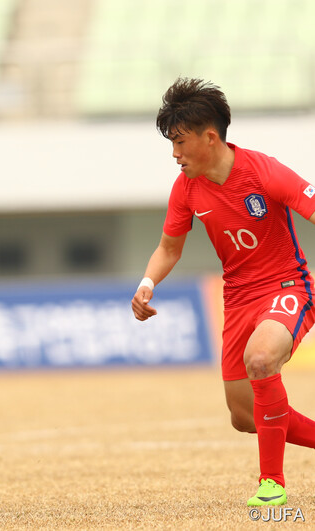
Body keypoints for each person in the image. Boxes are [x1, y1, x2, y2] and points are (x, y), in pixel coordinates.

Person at [132, 77, 315, 506]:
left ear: (209, 137)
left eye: (179, 143)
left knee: (261, 358)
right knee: (245, 416)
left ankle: (272, 484)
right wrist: (146, 284)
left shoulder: (264, 171)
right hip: (237, 299)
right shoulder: (187, 188)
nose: (174, 154)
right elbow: (168, 248)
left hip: (286, 287)